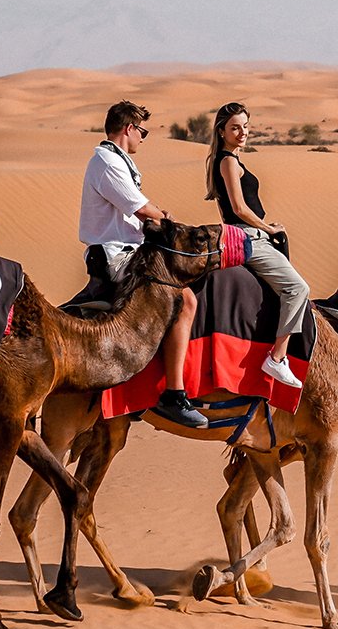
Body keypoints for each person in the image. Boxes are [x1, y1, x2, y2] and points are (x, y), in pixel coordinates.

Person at [79, 100, 205, 429]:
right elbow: (139, 207)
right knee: (183, 300)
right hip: (115, 256)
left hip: (127, 250)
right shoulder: (107, 162)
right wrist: (168, 219)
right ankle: (174, 395)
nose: (142, 140)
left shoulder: (115, 161)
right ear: (128, 128)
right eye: (142, 132)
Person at [205, 102, 308, 391]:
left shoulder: (229, 160)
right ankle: (277, 357)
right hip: (248, 236)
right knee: (298, 289)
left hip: (249, 233)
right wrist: (268, 228)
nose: (242, 133)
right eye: (235, 127)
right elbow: (238, 208)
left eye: (245, 126)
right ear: (222, 131)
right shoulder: (227, 161)